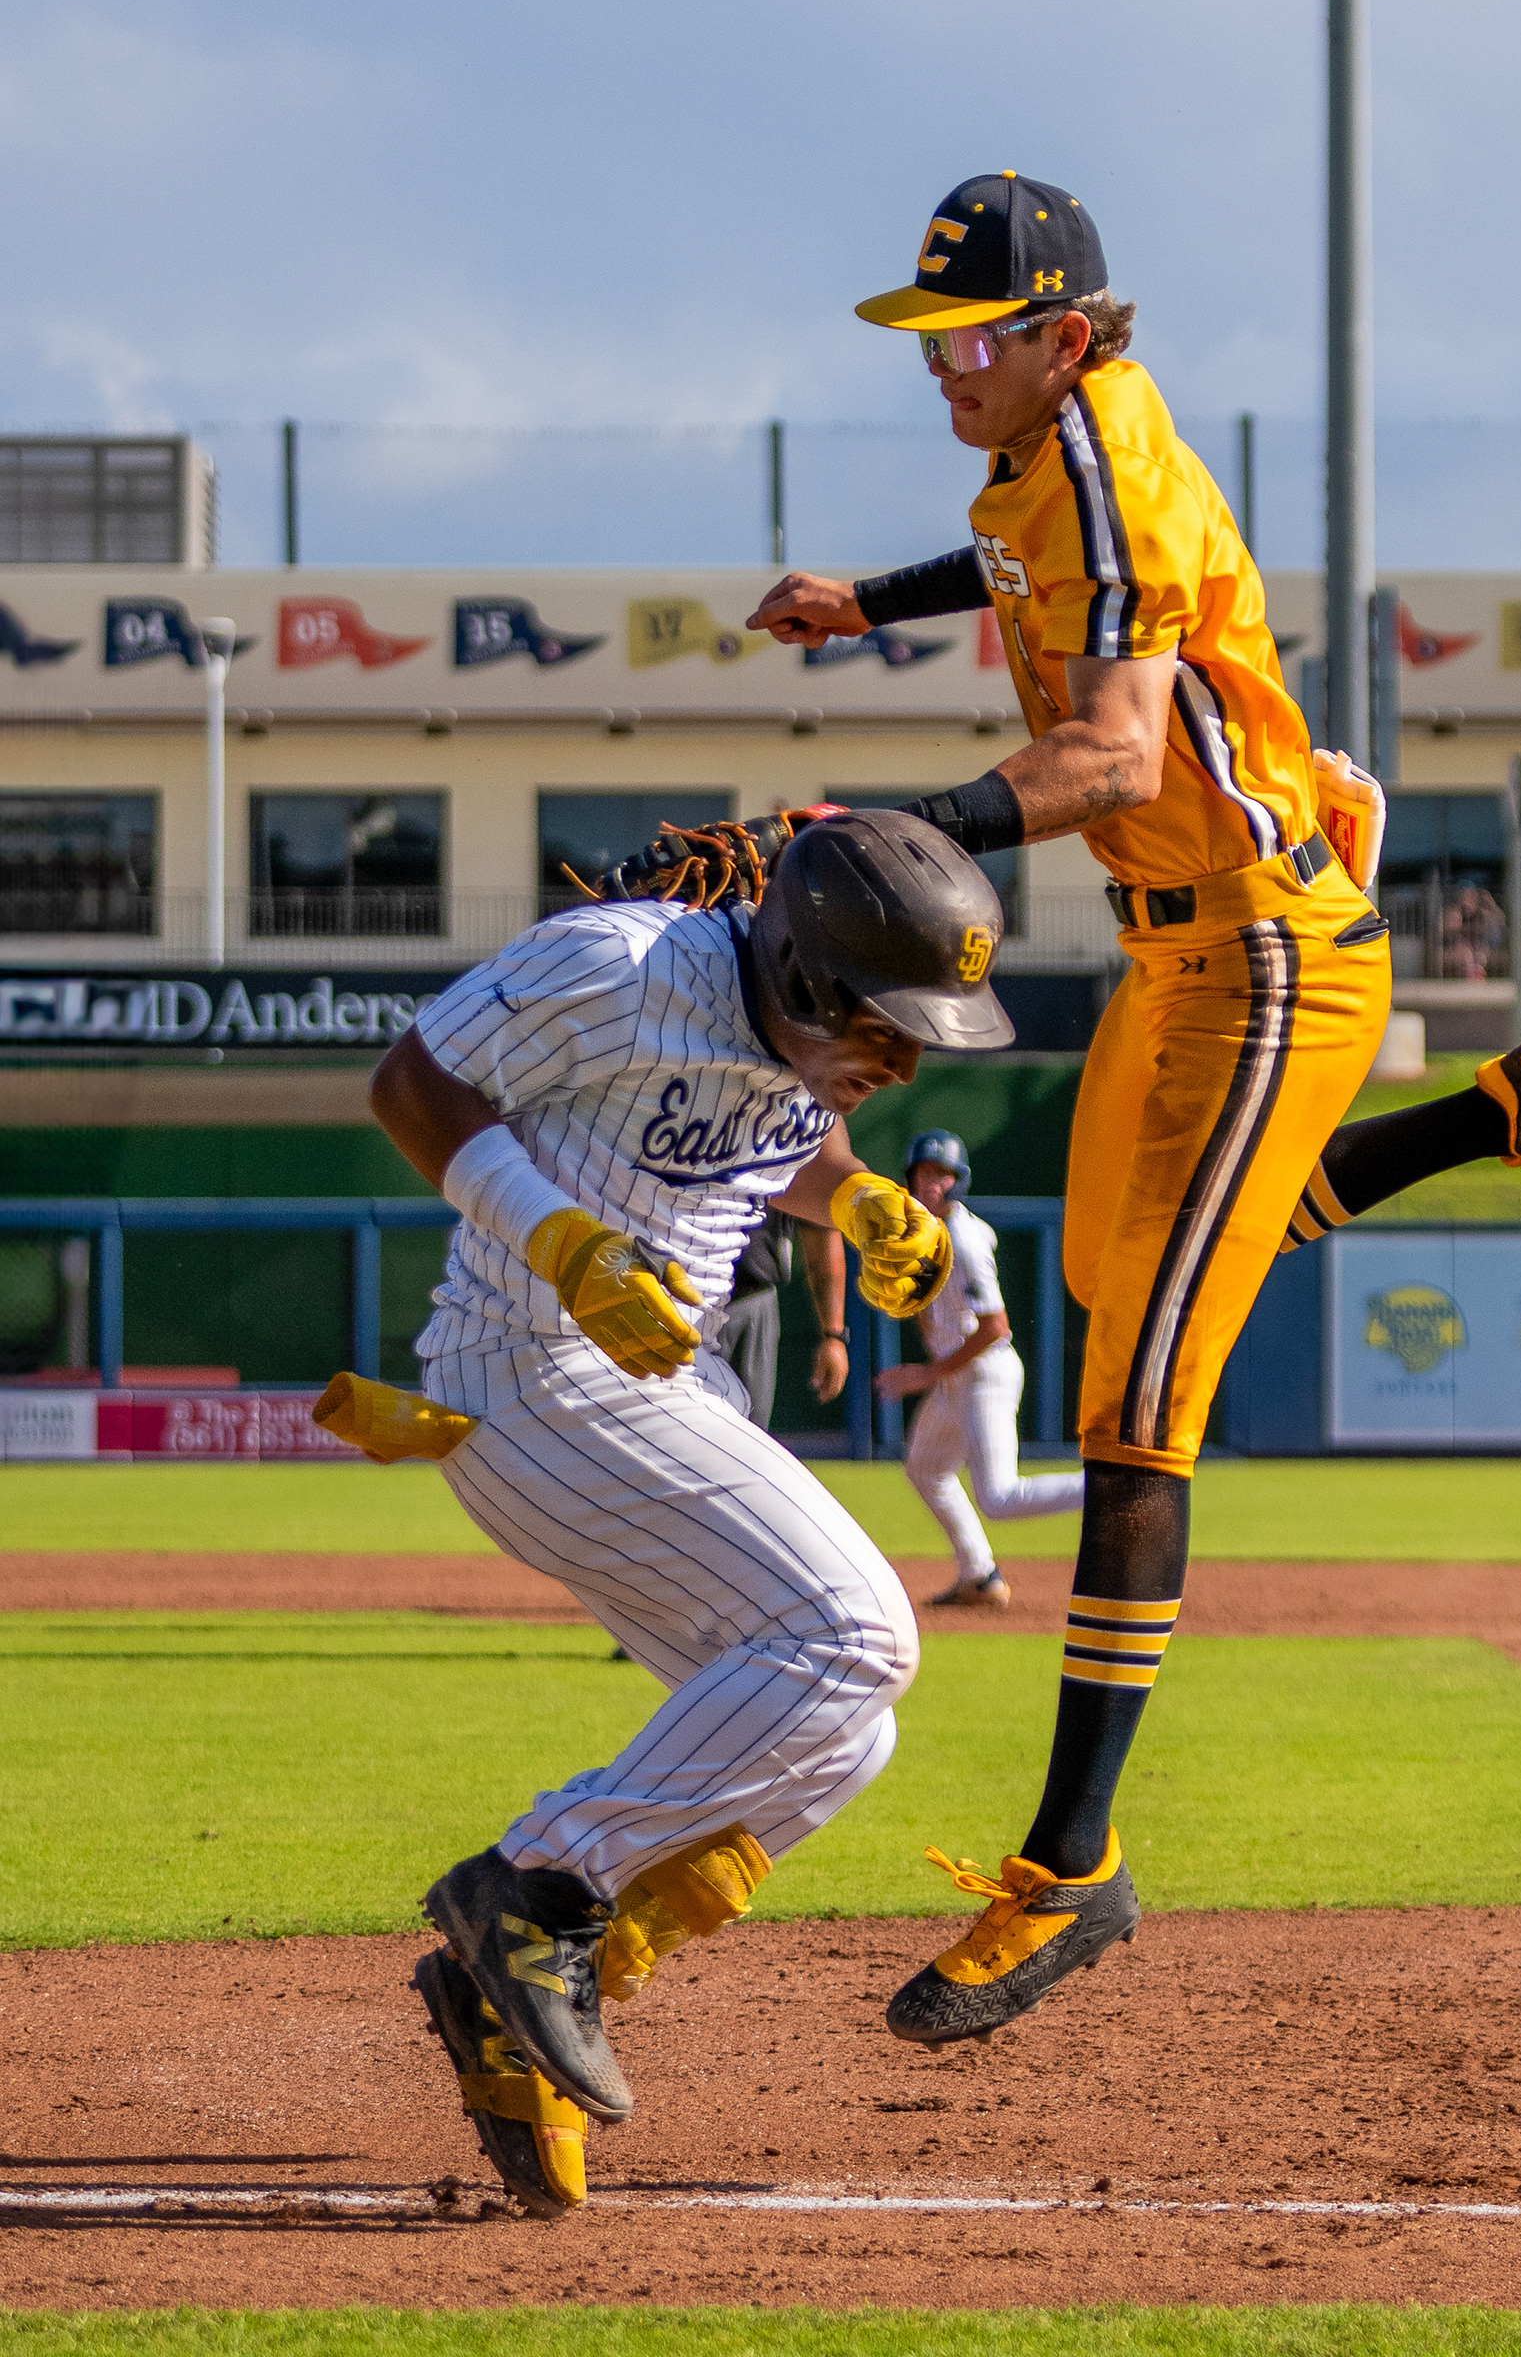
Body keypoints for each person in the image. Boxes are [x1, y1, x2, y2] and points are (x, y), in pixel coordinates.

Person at [743, 171, 1521, 2048]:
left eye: (980, 334)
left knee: (1140, 1406)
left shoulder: (1091, 453)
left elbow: (1107, 757)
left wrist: (862, 834)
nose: (948, 364)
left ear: (1072, 338)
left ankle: (1068, 1865)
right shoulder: (1054, 455)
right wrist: (873, 601)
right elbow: (1035, 581)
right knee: (1115, 1278)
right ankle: (1505, 1112)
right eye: (933, 336)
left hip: (1263, 950)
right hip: (1181, 958)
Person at [354, 807, 1012, 2214]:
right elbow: (414, 1085)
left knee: (849, 1736)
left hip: (661, 1381)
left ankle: (522, 1996)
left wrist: (858, 1200)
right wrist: (562, 1240)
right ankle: (533, 1886)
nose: (902, 1058)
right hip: (526, 1372)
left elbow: (769, 1137)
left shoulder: (799, 1043)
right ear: (803, 970)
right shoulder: (618, 965)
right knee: (857, 1633)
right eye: (890, 1024)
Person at [878, 1128, 1083, 1610]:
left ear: (959, 1182)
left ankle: (1109, 1487)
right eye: (923, 1174)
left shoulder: (963, 1240)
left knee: (1000, 1498)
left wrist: (927, 1374)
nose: (931, 1184)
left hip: (985, 1374)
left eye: (942, 1175)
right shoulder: (924, 1233)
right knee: (926, 1469)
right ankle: (980, 1576)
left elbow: (995, 1326)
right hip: (956, 1376)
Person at [715, 1213, 848, 1430]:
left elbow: (821, 1232)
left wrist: (833, 1335)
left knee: (746, 1438)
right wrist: (833, 1336)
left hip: (748, 1301)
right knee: (745, 1439)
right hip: (682, 1295)